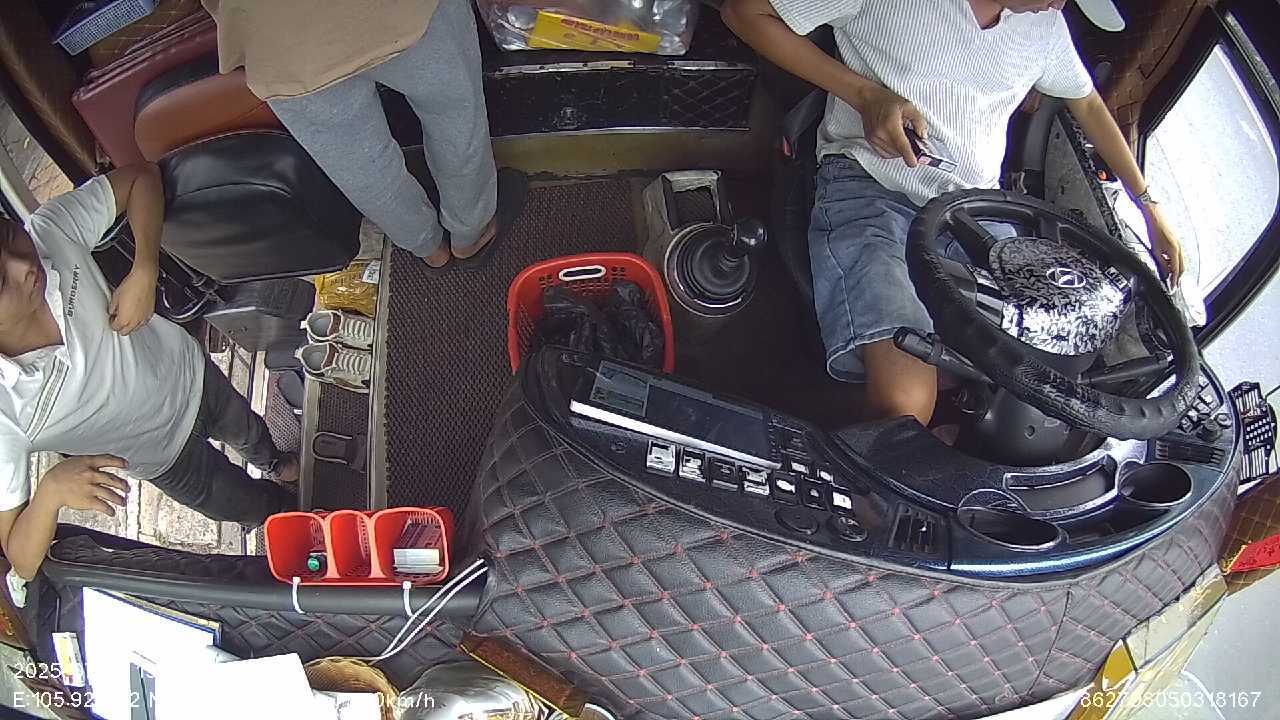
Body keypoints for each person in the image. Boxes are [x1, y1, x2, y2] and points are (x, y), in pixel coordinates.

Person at [722, 0, 1185, 426]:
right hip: (872, 189)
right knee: (905, 405)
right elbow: (744, 14)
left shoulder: (1046, 28)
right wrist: (865, 95)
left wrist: (1149, 207)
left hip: (973, 215)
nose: (1060, 3)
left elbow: (1087, 103)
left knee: (1043, 384)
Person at [0, 166, 297, 581]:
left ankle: (275, 462)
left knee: (250, 431)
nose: (23, 265)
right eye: (1, 281)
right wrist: (49, 492)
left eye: (7, 235)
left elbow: (141, 178)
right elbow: (21, 559)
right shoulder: (5, 414)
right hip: (165, 460)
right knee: (246, 506)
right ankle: (290, 512)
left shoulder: (50, 231)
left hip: (191, 375)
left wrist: (144, 267)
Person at [203, 0, 525, 269]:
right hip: (400, 11)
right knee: (454, 116)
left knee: (358, 164)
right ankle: (470, 233)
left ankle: (427, 247)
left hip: (274, 35)